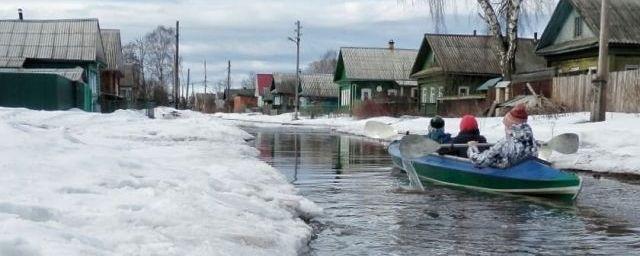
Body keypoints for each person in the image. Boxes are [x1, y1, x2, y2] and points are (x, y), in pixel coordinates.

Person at [467, 104, 538, 168]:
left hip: (510, 177)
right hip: (523, 173)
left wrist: (472, 147)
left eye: (505, 125)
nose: (504, 128)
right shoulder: (532, 141)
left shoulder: (504, 144)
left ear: (509, 125)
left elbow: (479, 161)